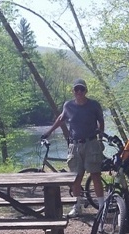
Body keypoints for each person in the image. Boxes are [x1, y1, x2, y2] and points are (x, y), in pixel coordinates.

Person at [41, 78, 105, 217]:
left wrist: (100, 138)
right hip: (75, 145)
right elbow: (60, 119)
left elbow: (101, 121)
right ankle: (77, 206)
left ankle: (101, 207)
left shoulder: (94, 105)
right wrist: (49, 132)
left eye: (82, 89)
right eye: (77, 89)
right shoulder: (68, 105)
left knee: (95, 175)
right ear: (73, 91)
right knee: (76, 177)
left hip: (91, 143)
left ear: (85, 91)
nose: (79, 92)